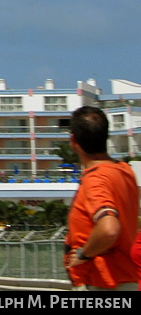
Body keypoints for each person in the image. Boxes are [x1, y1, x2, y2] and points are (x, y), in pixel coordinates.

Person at [64, 106, 139, 291]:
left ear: (73, 140)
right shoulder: (124, 170)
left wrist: (83, 254)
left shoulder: (95, 179)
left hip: (102, 282)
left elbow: (109, 229)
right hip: (125, 277)